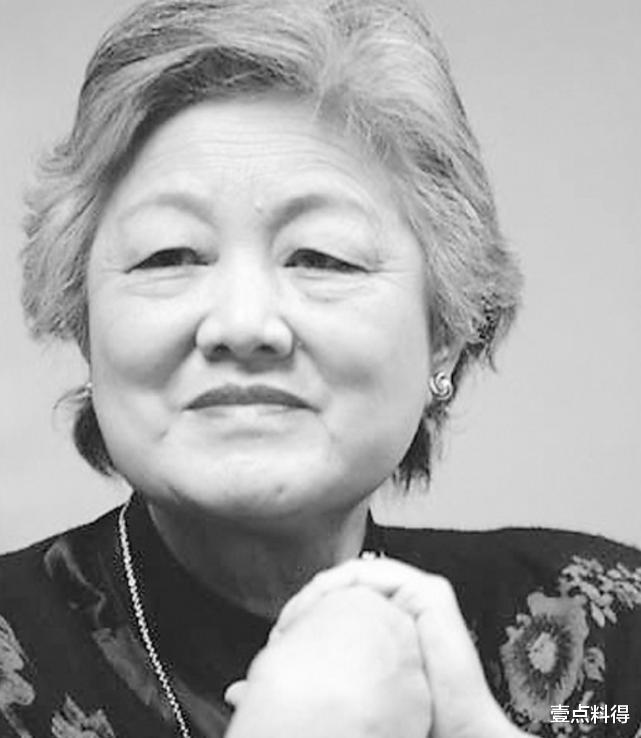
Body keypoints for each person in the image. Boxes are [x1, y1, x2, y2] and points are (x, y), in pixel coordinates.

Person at [2, 0, 640, 736]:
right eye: (168, 255)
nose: (243, 324)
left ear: (445, 332)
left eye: (321, 258)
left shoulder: (604, 650)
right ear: (83, 323)